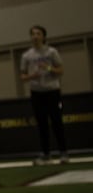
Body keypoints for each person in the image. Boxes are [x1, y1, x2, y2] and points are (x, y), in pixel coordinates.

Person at [20, 25, 68, 164]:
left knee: (57, 122)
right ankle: (46, 155)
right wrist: (32, 76)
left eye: (38, 33)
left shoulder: (52, 52)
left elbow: (61, 70)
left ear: (43, 36)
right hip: (36, 93)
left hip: (52, 91)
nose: (35, 36)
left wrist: (48, 68)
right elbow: (22, 77)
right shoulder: (26, 56)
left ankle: (63, 153)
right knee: (42, 124)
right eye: (33, 34)